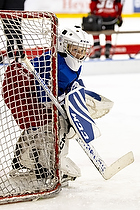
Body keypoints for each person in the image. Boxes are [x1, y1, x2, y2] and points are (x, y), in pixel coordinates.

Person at [2, 26, 113, 184]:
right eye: (75, 49)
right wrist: (51, 100)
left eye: (83, 50)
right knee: (48, 125)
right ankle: (43, 165)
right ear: (63, 46)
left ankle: (24, 161)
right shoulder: (54, 62)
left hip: (32, 89)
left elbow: (68, 82)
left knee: (47, 124)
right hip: (20, 89)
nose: (80, 54)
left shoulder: (73, 62)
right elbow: (40, 85)